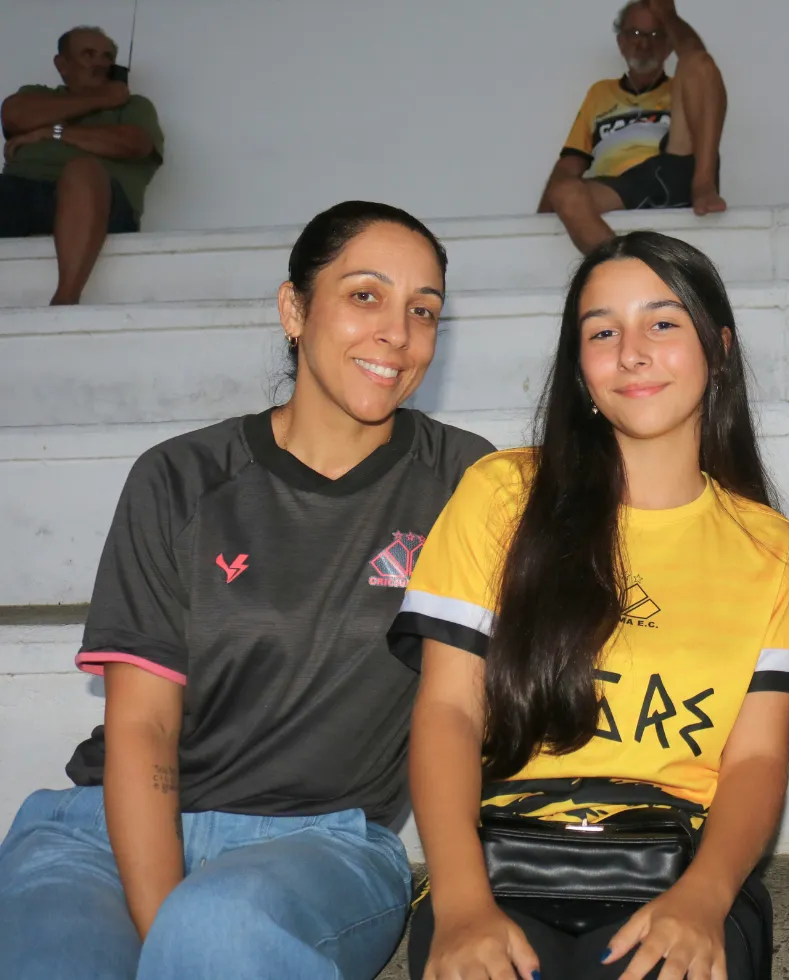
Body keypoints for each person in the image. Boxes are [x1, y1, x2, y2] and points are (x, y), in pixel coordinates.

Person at [0, 201, 494, 979]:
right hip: (99, 830)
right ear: (294, 308)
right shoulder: (180, 476)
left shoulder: (464, 481)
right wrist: (165, 928)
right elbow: (142, 730)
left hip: (316, 843)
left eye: (423, 311)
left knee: (218, 934)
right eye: (365, 295)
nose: (398, 334)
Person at [393, 231, 789, 980]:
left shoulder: (771, 545)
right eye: (602, 332)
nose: (632, 352)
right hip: (501, 859)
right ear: (580, 370)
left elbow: (756, 755)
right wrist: (460, 904)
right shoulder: (499, 495)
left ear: (719, 350)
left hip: (678, 863)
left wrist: (706, 898)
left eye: (663, 323)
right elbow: (448, 710)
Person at [539, 1, 728, 255]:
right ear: (621, 42)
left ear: (669, 44)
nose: (644, 43)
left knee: (698, 63)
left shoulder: (681, 86)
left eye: (655, 34)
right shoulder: (599, 93)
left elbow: (697, 59)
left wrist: (668, 15)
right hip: (620, 186)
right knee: (563, 191)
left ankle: (704, 185)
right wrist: (537, 224)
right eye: (635, 34)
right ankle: (625, 269)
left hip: (673, 169)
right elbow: (569, 164)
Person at [0, 26, 164, 305]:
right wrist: (101, 98)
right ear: (62, 64)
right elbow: (14, 116)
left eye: (107, 56)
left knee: (82, 171)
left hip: (99, 202)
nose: (101, 63)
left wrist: (54, 133)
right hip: (20, 191)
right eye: (89, 54)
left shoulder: (133, 106)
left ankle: (65, 300)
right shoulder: (39, 95)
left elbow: (134, 144)